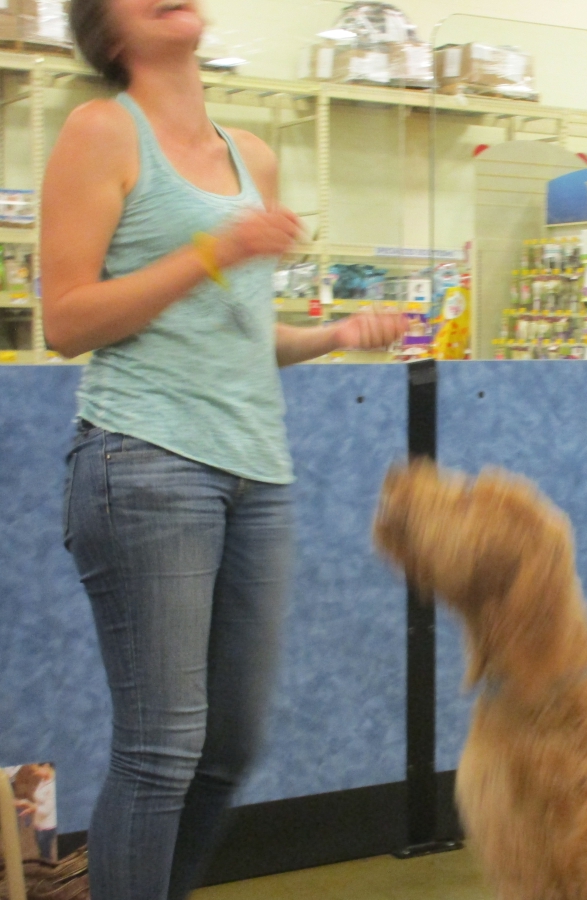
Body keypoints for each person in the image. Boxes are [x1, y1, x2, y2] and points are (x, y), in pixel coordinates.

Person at [42, 2, 407, 898]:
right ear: (108, 30)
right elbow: (67, 321)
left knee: (229, 747)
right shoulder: (102, 131)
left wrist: (332, 336)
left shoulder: (255, 157)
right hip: (144, 461)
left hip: (257, 473)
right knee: (161, 749)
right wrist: (215, 248)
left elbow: (235, 334)